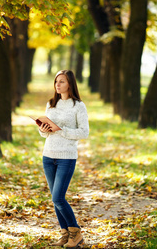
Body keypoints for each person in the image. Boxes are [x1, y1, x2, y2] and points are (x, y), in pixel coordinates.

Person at [39, 70, 89, 248]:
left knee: (58, 198)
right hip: (48, 155)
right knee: (55, 198)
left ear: (70, 84)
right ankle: (65, 234)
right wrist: (44, 128)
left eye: (61, 82)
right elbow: (44, 134)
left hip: (66, 157)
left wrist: (61, 130)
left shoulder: (78, 106)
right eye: (56, 82)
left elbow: (84, 132)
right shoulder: (51, 103)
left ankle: (76, 233)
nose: (57, 85)